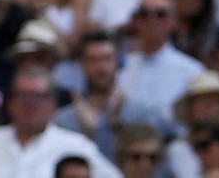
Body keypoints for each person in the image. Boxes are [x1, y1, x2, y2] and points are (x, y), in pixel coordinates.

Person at [0, 67, 120, 178]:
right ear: (11, 103)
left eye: (38, 97)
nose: (30, 104)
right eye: (23, 96)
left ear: (53, 105)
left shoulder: (77, 148)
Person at [53, 32, 171, 160]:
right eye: (93, 60)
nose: (101, 67)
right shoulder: (64, 120)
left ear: (118, 62)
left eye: (107, 59)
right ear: (82, 65)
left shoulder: (143, 114)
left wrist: (118, 127)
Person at [116, 0, 206, 118]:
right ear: (135, 21)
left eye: (160, 14)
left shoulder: (192, 71)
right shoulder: (120, 67)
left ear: (174, 21)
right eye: (144, 14)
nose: (151, 19)